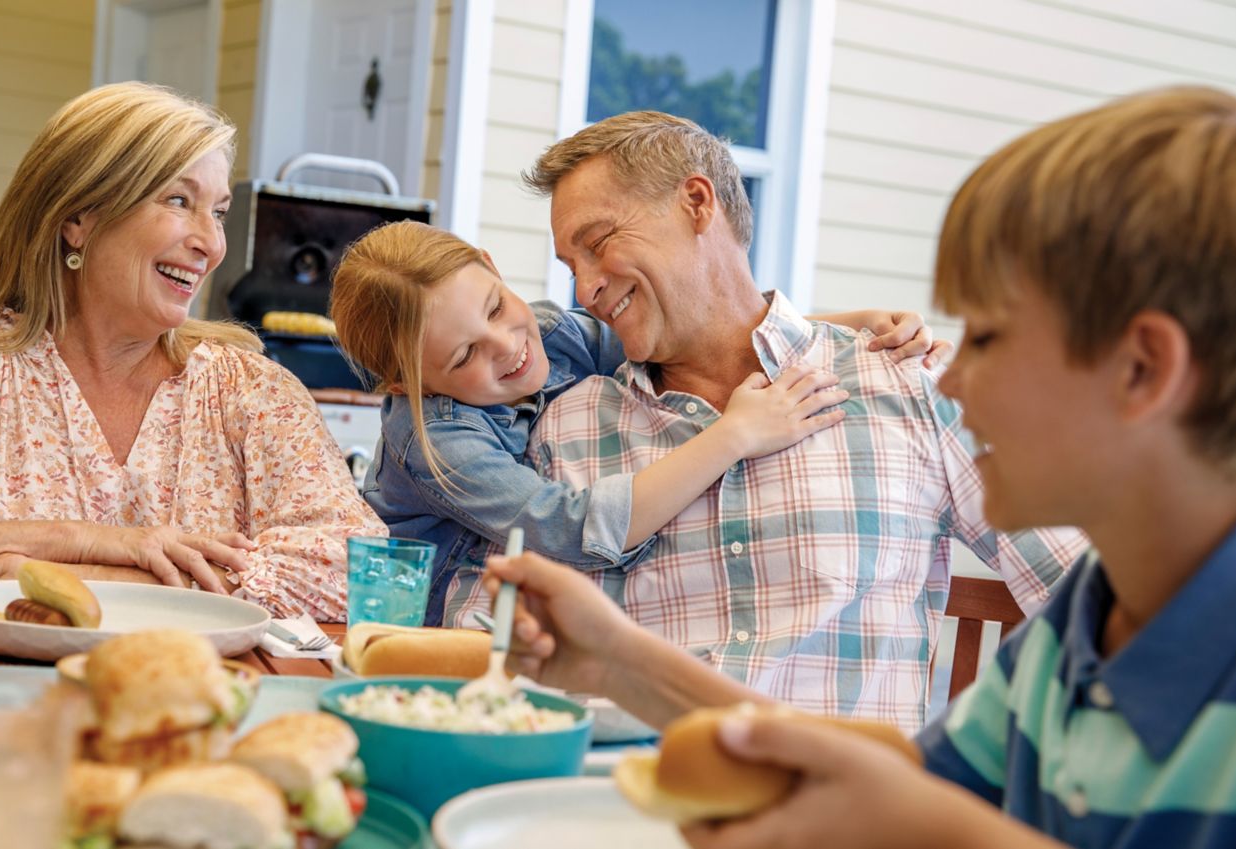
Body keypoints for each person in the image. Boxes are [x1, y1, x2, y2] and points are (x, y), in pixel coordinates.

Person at [485, 86, 1236, 849]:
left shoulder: (903, 381)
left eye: (989, 338)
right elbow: (902, 785)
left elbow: (909, 810)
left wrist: (922, 823)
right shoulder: (1079, 629)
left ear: (1141, 369)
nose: (948, 373)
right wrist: (620, 660)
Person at [445, 110, 1088, 733]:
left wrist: (983, 768)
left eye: (598, 243)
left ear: (698, 203)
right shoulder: (571, 426)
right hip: (631, 804)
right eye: (569, 267)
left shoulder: (901, 383)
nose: (584, 290)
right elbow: (485, 635)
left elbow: (1088, 594)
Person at [0, 82, 386, 619]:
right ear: (77, 219)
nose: (211, 244)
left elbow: (362, 572)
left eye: (216, 212)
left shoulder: (249, 390)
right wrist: (85, 540)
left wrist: (50, 578)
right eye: (177, 200)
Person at [331, 220, 949, 625]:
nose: (506, 345)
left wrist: (844, 323)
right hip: (419, 631)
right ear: (402, 385)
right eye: (464, 356)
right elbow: (570, 528)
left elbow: (683, 341)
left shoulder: (554, 333)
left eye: (495, 306)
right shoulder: (436, 440)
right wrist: (731, 436)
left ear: (492, 266)